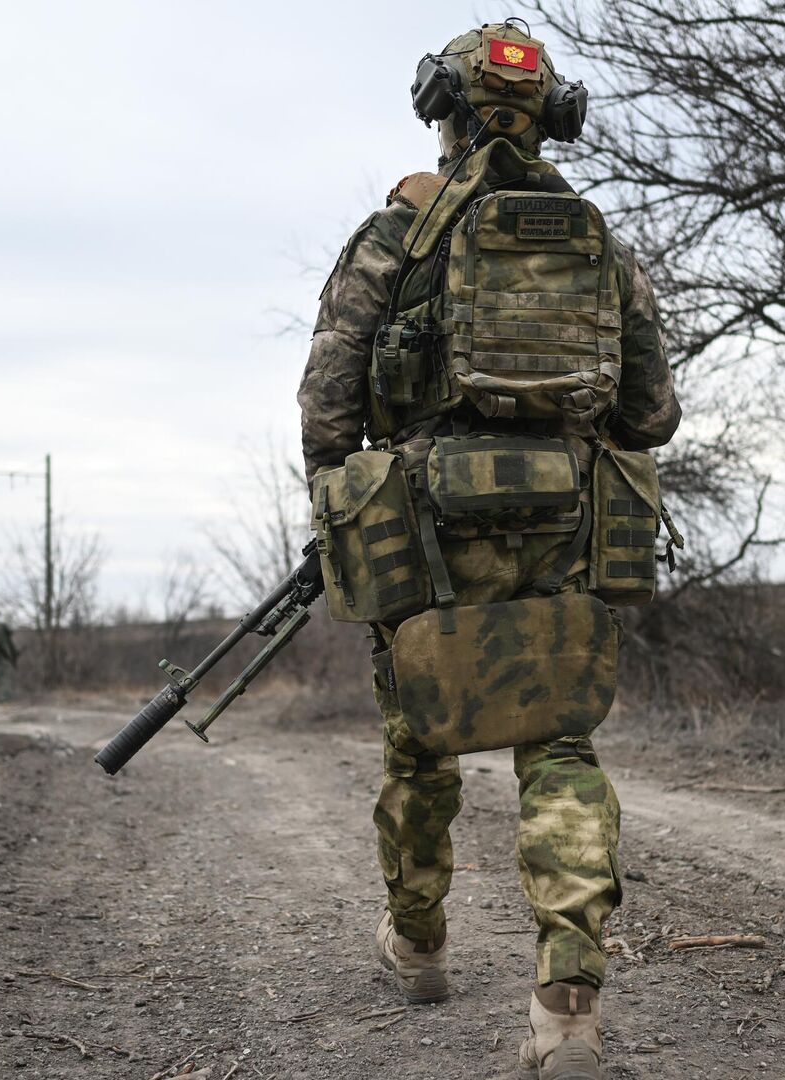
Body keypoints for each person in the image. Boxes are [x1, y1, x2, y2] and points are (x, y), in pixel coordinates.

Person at [296, 21, 681, 1080]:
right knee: (559, 748)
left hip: (429, 528)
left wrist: (356, 493)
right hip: (562, 527)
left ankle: (419, 944)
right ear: (550, 117)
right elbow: (651, 414)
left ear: (445, 114)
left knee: (419, 740)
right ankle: (568, 1004)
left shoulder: (398, 234)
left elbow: (327, 413)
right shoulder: (597, 241)